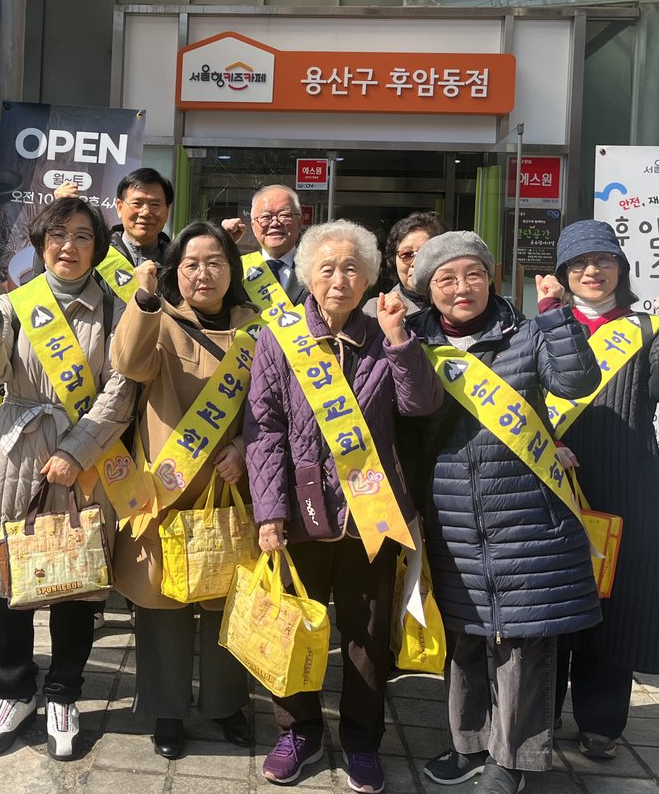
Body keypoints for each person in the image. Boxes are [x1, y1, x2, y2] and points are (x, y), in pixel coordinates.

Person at [244, 220, 444, 790]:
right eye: (327, 268)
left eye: (352, 268)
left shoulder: (386, 334)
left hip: (370, 514)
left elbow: (419, 404)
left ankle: (361, 741)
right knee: (294, 625)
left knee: (366, 635)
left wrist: (400, 342)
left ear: (370, 278)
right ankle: (298, 731)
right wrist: (269, 512)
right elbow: (264, 429)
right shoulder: (279, 338)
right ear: (308, 275)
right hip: (299, 510)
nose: (339, 279)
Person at [406, 232, 602, 794]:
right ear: (428, 290)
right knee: (466, 634)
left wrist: (559, 317)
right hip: (451, 518)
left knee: (524, 642)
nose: (461, 288)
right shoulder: (414, 341)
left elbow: (577, 381)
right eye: (446, 279)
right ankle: (468, 744)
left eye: (473, 274)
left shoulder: (530, 332)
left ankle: (513, 759)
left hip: (526, 515)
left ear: (491, 277)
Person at [0, 196, 137, 761]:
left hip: (83, 462)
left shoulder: (114, 309)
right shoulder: (16, 303)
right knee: (8, 582)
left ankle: (63, 694)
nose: (69, 247)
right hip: (15, 457)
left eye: (83, 236)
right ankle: (13, 692)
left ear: (98, 247)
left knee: (75, 584)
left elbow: (121, 392)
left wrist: (76, 451)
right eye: (58, 235)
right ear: (40, 244)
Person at [540, 220, 659, 760]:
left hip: (626, 484)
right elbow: (522, 397)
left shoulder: (646, 327)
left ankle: (601, 722)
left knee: (616, 604)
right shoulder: (546, 324)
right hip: (553, 483)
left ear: (620, 268)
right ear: (564, 273)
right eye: (579, 263)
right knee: (550, 603)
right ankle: (539, 715)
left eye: (603, 261)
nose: (592, 271)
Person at [109, 221, 259, 760]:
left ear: (232, 270)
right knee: (162, 601)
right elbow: (127, 363)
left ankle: (226, 705)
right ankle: (167, 709)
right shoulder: (160, 320)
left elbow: (273, 407)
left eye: (215, 262)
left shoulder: (257, 330)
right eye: (191, 264)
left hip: (230, 485)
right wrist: (144, 299)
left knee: (227, 598)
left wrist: (243, 447)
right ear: (176, 271)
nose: (203, 273)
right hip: (166, 487)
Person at [53, 167, 174, 299]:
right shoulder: (94, 251)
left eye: (155, 205)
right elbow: (50, 278)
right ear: (119, 207)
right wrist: (60, 213)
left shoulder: (177, 261)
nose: (145, 212)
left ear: (167, 211)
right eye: (137, 203)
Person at [224, 184, 308, 314]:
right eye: (265, 217)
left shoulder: (314, 267)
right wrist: (221, 242)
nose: (274, 223)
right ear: (253, 226)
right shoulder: (238, 269)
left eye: (284, 215)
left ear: (300, 221)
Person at [361, 211, 446, 317]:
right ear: (394, 261)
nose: (416, 262)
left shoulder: (459, 304)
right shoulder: (376, 310)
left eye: (425, 252)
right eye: (406, 254)